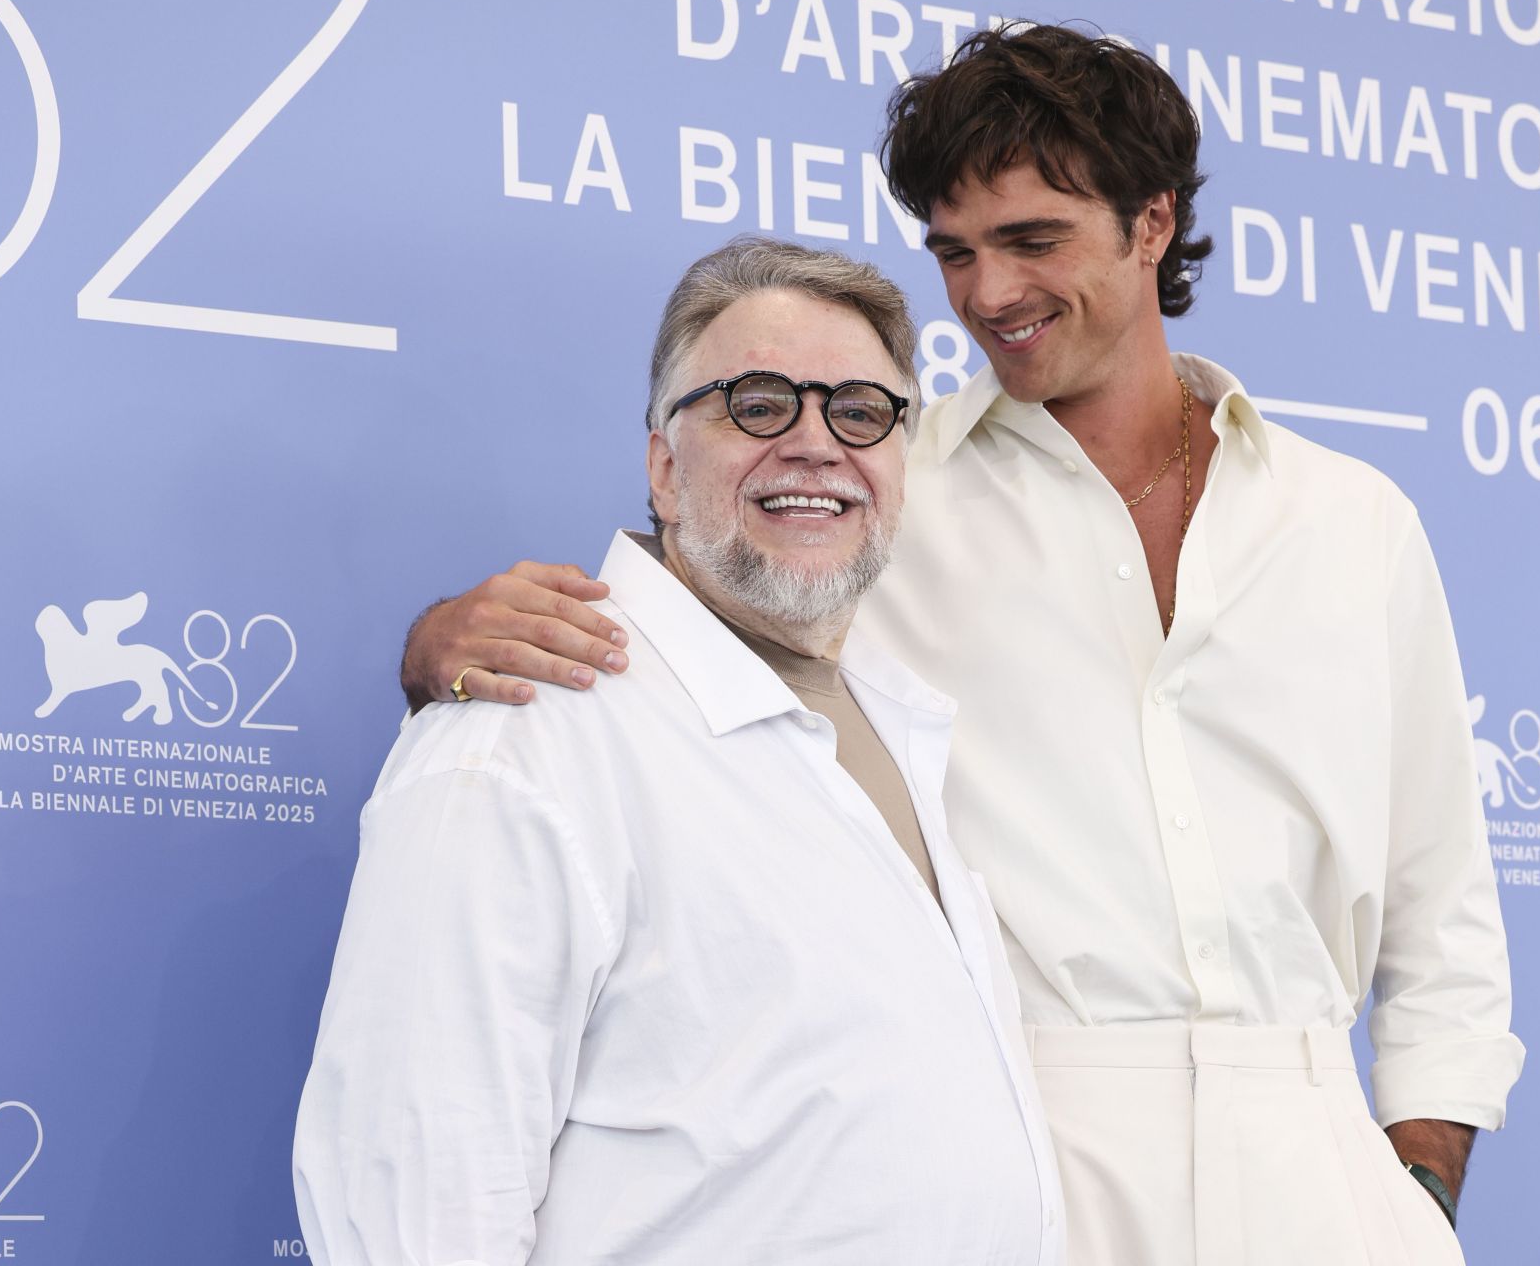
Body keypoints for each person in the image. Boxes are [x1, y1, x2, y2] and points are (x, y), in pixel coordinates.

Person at [399, 25, 1523, 1266]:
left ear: (1152, 224)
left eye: (1033, 240)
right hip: (1031, 1164)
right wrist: (437, 648)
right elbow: (680, 643)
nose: (987, 294)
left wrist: (1418, 1186)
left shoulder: (1352, 519)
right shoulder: (884, 482)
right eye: (954, 252)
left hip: (1329, 1177)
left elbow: (1443, 913)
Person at [293, 237, 1063, 1265]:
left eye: (862, 412)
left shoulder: (905, 725)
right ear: (662, 462)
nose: (816, 443)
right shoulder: (523, 739)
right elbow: (414, 1207)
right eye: (757, 403)